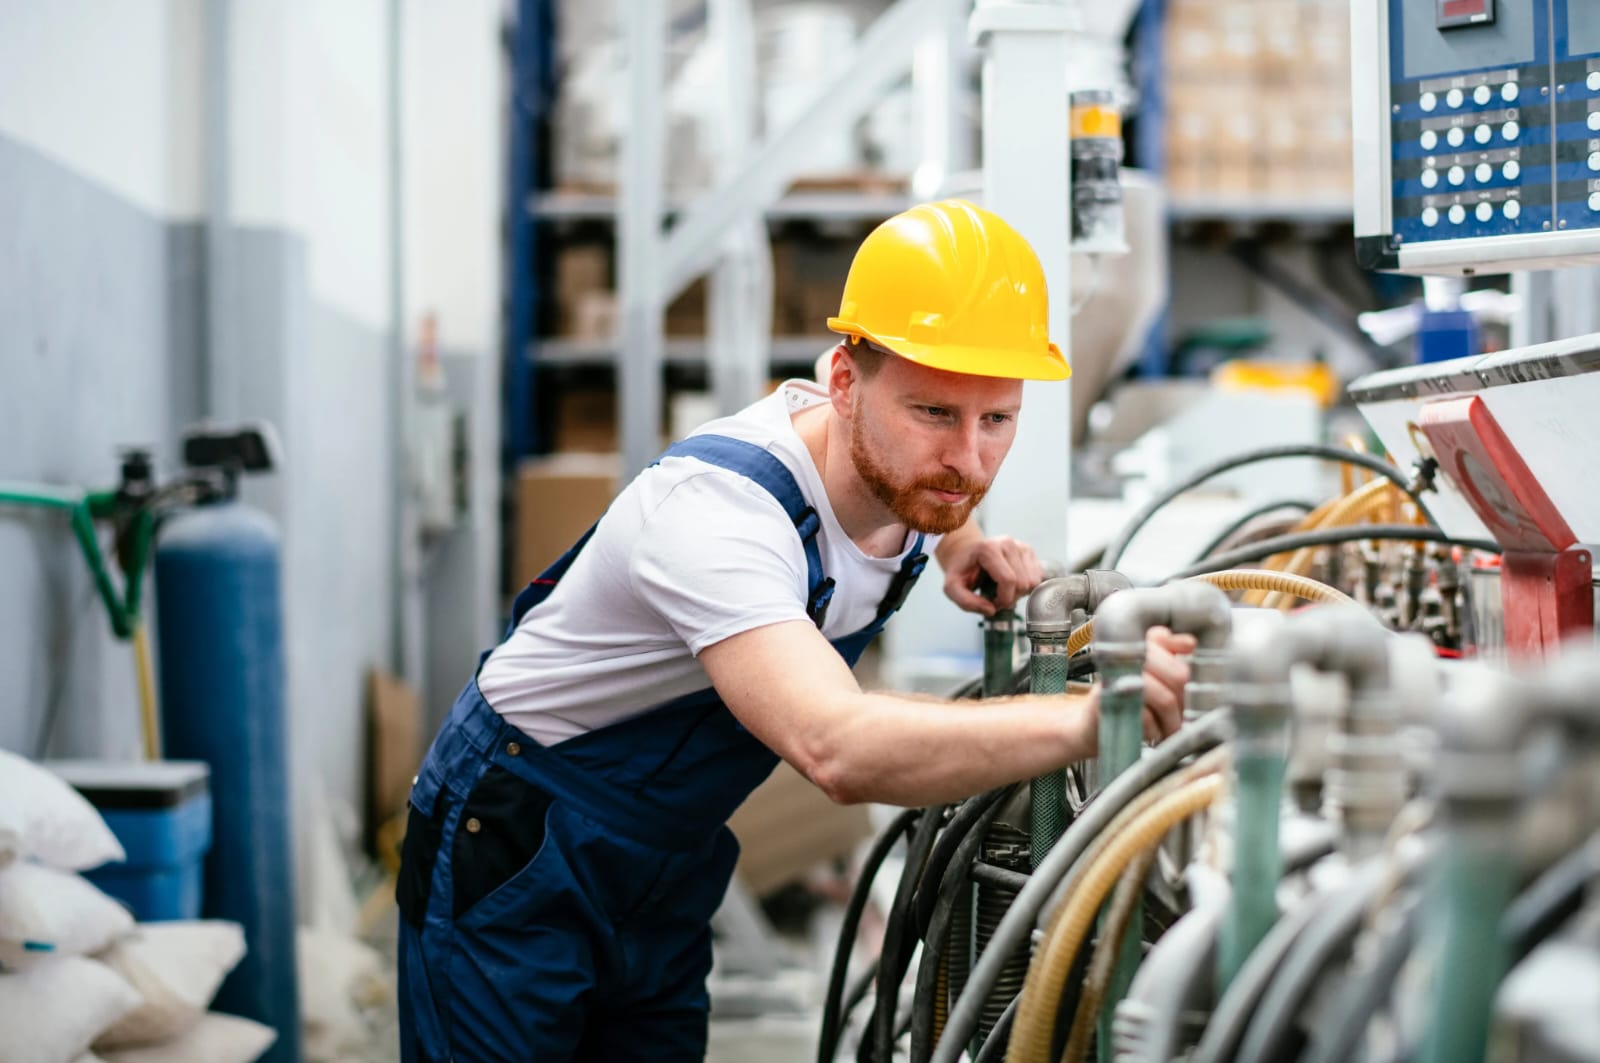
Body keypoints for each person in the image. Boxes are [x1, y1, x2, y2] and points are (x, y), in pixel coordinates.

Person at [396, 199, 1194, 1062]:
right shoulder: (720, 513)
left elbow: (935, 482)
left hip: (664, 858)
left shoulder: (908, 475)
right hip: (522, 837)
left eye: (996, 418)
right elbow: (835, 746)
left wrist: (964, 539)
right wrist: (1082, 720)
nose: (968, 459)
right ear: (846, 385)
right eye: (935, 413)